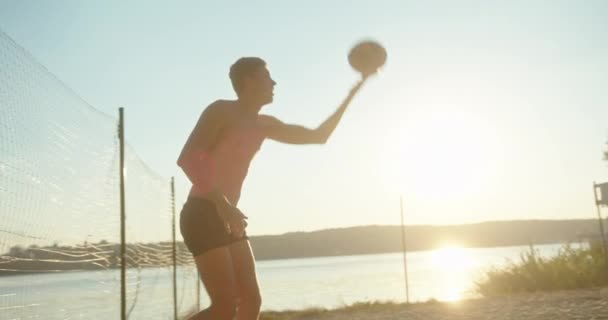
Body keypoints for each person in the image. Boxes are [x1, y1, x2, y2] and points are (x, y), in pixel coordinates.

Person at [177, 57, 373, 320]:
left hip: (229, 215)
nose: (274, 82)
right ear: (248, 81)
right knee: (224, 306)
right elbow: (188, 159)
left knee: (250, 300)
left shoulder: (264, 124)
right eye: (267, 76)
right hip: (203, 211)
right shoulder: (220, 111)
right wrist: (223, 205)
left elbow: (318, 136)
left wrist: (353, 92)